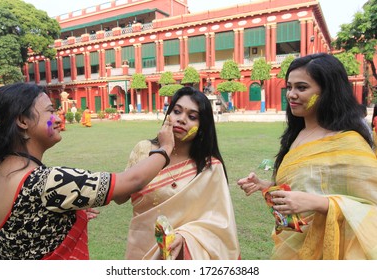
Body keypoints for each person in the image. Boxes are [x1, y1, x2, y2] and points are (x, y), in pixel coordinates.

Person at [0, 83, 174, 260]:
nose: (59, 118)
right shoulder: (47, 182)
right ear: (22, 121)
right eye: (50, 111)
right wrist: (165, 148)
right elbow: (130, 182)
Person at [238, 53, 377, 260]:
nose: (291, 94)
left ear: (327, 92)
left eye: (302, 88)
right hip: (294, 244)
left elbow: (369, 207)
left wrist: (317, 203)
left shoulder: (348, 142)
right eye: (289, 87)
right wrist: (265, 185)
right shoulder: (296, 136)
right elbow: (302, 186)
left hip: (333, 252)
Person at [123, 86, 240, 260]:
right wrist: (164, 149)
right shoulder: (143, 150)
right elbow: (120, 196)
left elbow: (220, 223)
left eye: (192, 117)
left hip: (184, 255)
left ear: (202, 126)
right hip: (140, 249)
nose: (181, 119)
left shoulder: (210, 167)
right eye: (177, 112)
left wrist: (186, 236)